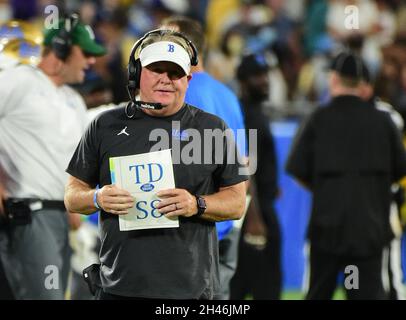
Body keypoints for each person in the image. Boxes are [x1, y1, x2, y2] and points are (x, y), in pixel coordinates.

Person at [64, 29, 247, 300]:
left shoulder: (212, 128)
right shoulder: (104, 125)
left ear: (188, 80)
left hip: (190, 289)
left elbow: (236, 202)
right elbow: (72, 196)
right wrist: (97, 197)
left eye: (174, 73)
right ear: (137, 74)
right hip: (119, 286)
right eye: (156, 70)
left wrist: (196, 204)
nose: (165, 80)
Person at [0, 14, 106, 300]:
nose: (91, 61)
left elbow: (71, 157)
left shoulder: (72, 99)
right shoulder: (19, 79)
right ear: (60, 49)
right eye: (85, 53)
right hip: (30, 213)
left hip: (60, 216)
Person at [286, 51, 406, 300]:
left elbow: (297, 171)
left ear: (334, 79)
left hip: (326, 230)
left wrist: (328, 188)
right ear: (362, 84)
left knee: (318, 293)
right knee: (364, 294)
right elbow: (399, 172)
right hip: (369, 232)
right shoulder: (384, 122)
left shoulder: (318, 119)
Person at [160, 15, 247, 300]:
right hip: (226, 223)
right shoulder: (228, 95)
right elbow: (245, 163)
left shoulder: (178, 95)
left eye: (165, 41)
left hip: (193, 230)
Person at [230, 53, 282, 300]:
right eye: (257, 76)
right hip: (254, 213)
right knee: (263, 287)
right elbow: (245, 169)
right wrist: (254, 217)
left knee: (243, 285)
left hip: (257, 207)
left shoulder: (255, 112)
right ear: (242, 81)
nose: (264, 81)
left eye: (265, 75)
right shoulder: (246, 116)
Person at [358, 62, 405, 300]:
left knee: (389, 272)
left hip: (382, 204)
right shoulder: (386, 116)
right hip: (366, 205)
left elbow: (399, 166)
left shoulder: (388, 117)